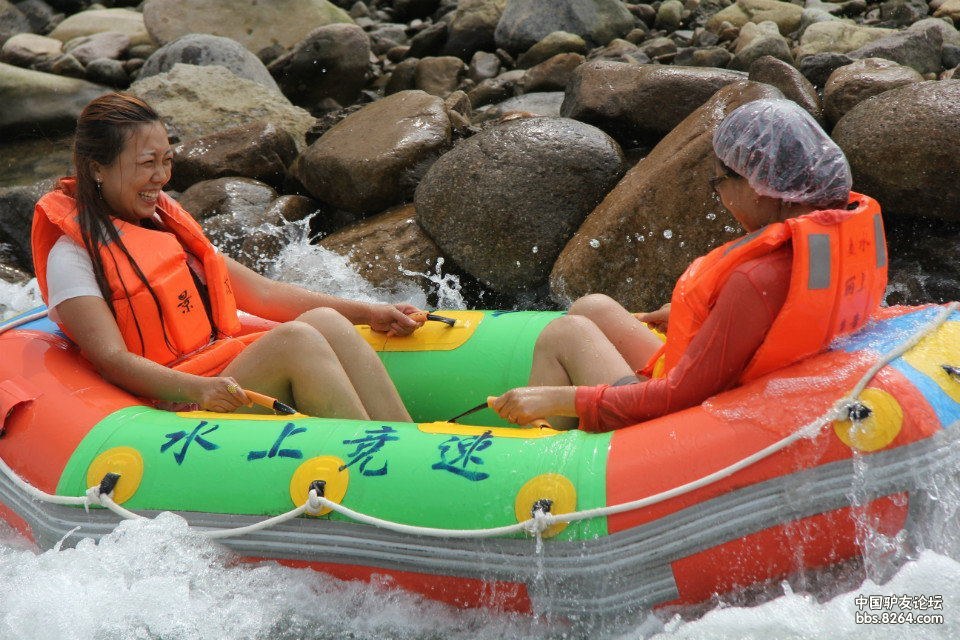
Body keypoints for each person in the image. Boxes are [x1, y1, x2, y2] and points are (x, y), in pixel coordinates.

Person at [490, 99, 888, 431]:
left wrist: (567, 398)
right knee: (592, 308)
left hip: (684, 421)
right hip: (728, 382)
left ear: (756, 183)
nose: (721, 197)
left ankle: (541, 460)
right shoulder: (835, 233)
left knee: (565, 333)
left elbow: (681, 396)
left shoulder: (759, 276)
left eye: (720, 183)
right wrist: (698, 317)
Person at [32, 93, 423, 419]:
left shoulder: (162, 223)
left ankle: (403, 444)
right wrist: (199, 389)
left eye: (166, 160)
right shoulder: (72, 258)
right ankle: (376, 464)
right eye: (147, 163)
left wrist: (368, 312)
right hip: (169, 405)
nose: (162, 177)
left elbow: (265, 294)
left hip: (216, 369)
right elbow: (111, 360)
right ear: (98, 169)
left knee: (327, 321)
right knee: (295, 340)